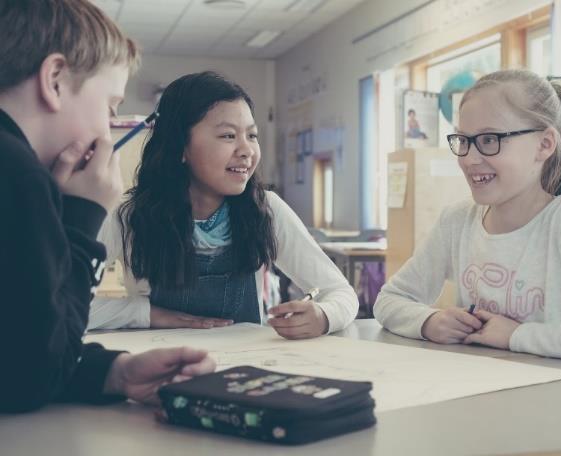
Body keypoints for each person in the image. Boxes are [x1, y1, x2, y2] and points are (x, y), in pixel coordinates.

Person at [0, 0, 215, 413]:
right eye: (110, 107)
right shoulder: (20, 176)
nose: (106, 129)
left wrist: (113, 371)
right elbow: (32, 373)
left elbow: (9, 353)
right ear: (55, 79)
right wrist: (82, 216)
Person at [374, 69, 561, 365]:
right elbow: (389, 300)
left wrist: (517, 336)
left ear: (545, 144)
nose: (470, 158)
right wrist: (429, 321)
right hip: (477, 394)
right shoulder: (457, 222)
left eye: (489, 139)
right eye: (463, 140)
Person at [88, 71, 358, 340]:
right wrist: (149, 313)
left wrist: (322, 316)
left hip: (247, 367)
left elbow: (341, 293)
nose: (247, 151)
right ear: (181, 147)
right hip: (161, 365)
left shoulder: (266, 210)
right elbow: (71, 305)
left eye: (252, 136)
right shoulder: (130, 216)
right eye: (228, 136)